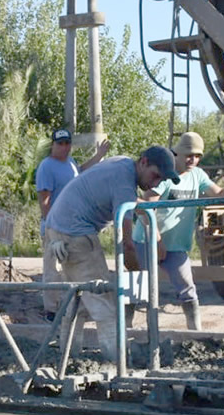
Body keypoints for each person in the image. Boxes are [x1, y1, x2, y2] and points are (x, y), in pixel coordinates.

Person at [44, 145, 180, 361]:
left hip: (59, 228)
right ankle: (118, 362)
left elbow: (124, 199)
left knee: (78, 296)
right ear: (143, 162)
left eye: (160, 181)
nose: (155, 184)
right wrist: (141, 277)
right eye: (155, 176)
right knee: (105, 302)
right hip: (76, 233)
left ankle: (69, 355)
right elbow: (126, 245)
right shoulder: (125, 184)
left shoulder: (122, 163)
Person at [132, 132, 224, 330]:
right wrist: (156, 240)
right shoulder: (165, 175)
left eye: (197, 156)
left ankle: (195, 331)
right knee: (141, 287)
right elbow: (146, 208)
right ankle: (132, 332)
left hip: (176, 245)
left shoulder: (197, 175)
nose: (193, 160)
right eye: (189, 155)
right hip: (147, 240)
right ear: (178, 154)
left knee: (187, 288)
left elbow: (218, 193)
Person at [35, 129, 109, 321]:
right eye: (60, 143)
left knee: (71, 267)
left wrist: (99, 156)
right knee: (53, 269)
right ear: (52, 145)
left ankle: (70, 307)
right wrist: (51, 229)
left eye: (67, 143)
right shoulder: (46, 166)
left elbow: (83, 171)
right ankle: (51, 310)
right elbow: (44, 199)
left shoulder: (70, 163)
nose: (64, 147)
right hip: (54, 226)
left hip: (71, 226)